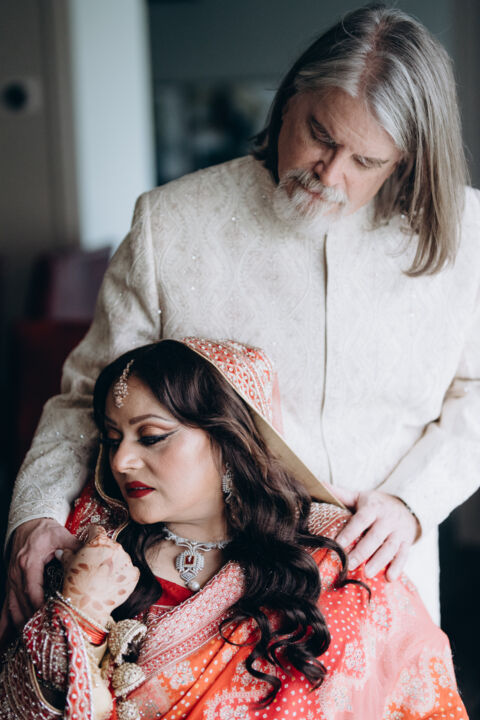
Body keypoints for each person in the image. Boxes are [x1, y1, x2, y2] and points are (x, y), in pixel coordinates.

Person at [4, 4, 480, 629]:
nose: (330, 172)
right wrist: (34, 514)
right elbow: (87, 397)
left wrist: (413, 501)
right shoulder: (169, 224)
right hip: (209, 607)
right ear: (289, 100)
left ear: (405, 160)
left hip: (389, 590)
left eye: (365, 161)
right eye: (320, 134)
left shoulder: (469, 235)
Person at [0, 338, 468, 719]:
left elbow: (425, 701)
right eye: (112, 438)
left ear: (227, 440)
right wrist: (79, 615)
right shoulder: (90, 543)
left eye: (152, 437)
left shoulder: (334, 561)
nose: (122, 461)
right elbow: (16, 705)